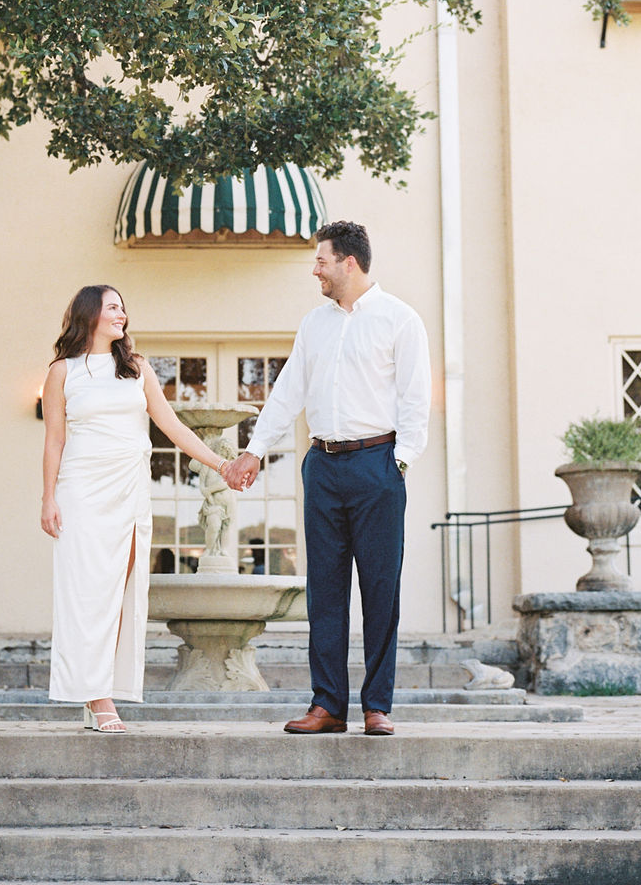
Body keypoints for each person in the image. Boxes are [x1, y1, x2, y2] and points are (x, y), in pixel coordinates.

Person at [224, 221, 430, 736]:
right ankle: (328, 705)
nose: (314, 269)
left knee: (381, 588)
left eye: (321, 260)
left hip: (376, 464)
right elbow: (287, 392)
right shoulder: (313, 325)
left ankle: (377, 706)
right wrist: (253, 451)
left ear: (349, 263)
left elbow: (414, 400)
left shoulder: (400, 320)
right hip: (322, 466)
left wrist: (398, 463)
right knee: (325, 590)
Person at [41, 284, 243, 732]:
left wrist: (222, 465)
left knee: (120, 592)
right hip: (81, 492)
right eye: (113, 307)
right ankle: (97, 698)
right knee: (86, 594)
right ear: (89, 315)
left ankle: (104, 687)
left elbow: (171, 426)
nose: (122, 315)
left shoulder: (137, 368)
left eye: (123, 308)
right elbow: (54, 438)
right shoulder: (62, 371)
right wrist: (48, 497)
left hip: (129, 491)